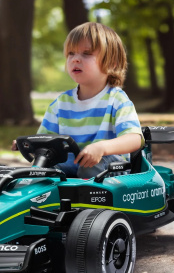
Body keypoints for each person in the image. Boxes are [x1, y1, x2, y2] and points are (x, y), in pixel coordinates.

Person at [13, 22, 144, 178]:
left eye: (86, 53)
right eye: (71, 54)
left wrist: (102, 147)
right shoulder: (61, 104)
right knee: (43, 167)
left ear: (112, 63)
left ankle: (85, 200)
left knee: (90, 167)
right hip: (71, 165)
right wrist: (30, 144)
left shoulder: (117, 100)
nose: (75, 59)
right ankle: (43, 199)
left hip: (109, 169)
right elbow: (45, 140)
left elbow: (134, 139)